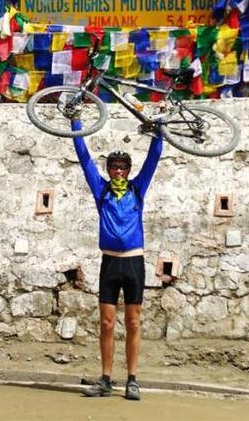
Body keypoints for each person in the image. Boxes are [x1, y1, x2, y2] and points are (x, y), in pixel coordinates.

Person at [71, 119, 163, 400]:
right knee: (107, 323)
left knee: (134, 322)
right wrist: (76, 121)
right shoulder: (101, 190)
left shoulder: (138, 188)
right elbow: (83, 156)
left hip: (134, 262)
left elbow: (154, 158)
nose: (119, 171)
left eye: (123, 168)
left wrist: (159, 131)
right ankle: (106, 379)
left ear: (128, 171)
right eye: (114, 167)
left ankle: (132, 379)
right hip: (109, 263)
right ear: (109, 170)